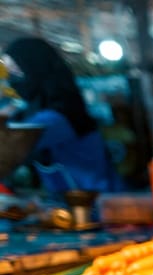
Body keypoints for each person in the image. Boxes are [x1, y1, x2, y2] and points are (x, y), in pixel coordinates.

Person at [3, 37, 121, 194]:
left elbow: (10, 147)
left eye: (17, 71)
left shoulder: (57, 117)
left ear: (35, 69)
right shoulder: (36, 109)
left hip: (97, 207)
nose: (13, 80)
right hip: (67, 202)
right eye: (10, 72)